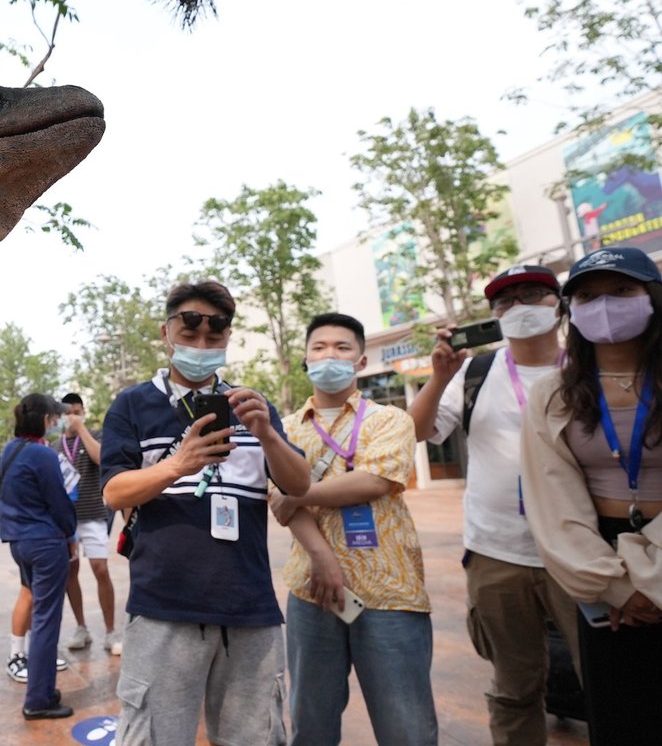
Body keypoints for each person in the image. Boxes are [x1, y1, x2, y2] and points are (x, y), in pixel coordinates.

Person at [101, 280, 311, 746]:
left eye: (214, 338)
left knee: (255, 737)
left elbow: (299, 484)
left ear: (227, 339)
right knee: (154, 736)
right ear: (166, 333)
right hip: (163, 607)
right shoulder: (133, 405)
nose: (201, 346)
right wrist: (179, 464)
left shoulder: (253, 406)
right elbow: (115, 492)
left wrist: (268, 434)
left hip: (250, 608)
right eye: (189, 334)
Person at [406, 264, 581, 745]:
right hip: (496, 553)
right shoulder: (474, 372)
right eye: (506, 301)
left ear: (559, 306)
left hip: (582, 553)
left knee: (609, 678)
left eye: (533, 295)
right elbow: (417, 432)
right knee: (514, 686)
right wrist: (439, 377)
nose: (519, 307)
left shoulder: (586, 369)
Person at [271, 312, 437, 746]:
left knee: (407, 727)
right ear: (305, 360)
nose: (330, 355)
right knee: (310, 720)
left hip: (390, 591)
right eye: (319, 347)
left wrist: (297, 493)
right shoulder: (284, 429)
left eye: (342, 348)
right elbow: (276, 498)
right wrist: (322, 556)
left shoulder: (390, 420)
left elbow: (376, 480)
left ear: (361, 361)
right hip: (312, 590)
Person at [521, 246, 662, 746]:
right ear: (571, 311)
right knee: (624, 715)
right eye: (587, 295)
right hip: (604, 564)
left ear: (652, 296)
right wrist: (619, 588)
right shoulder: (553, 392)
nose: (604, 305)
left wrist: (655, 580)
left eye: (622, 290)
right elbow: (551, 498)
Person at [0, 393, 78, 720]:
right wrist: (71, 536)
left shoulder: (10, 450)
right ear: (46, 419)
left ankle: (42, 688)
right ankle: (39, 699)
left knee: (40, 615)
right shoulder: (43, 455)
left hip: (19, 541)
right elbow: (60, 504)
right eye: (55, 416)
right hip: (46, 544)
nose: (58, 421)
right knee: (46, 621)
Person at [58, 392, 120, 656]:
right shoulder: (55, 445)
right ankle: (81, 627)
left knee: (100, 569)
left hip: (94, 513)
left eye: (77, 411)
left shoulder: (95, 436)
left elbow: (101, 459)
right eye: (69, 412)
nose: (73, 416)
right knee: (70, 573)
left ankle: (110, 632)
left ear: (83, 412)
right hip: (66, 519)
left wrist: (82, 429)